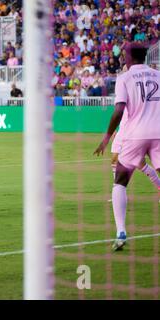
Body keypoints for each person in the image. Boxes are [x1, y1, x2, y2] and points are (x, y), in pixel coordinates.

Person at [94, 45, 160, 251]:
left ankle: (121, 232)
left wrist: (106, 137)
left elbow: (119, 109)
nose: (123, 58)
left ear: (130, 57)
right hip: (159, 132)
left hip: (135, 135)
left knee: (120, 182)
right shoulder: (158, 75)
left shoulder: (124, 78)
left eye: (124, 55)